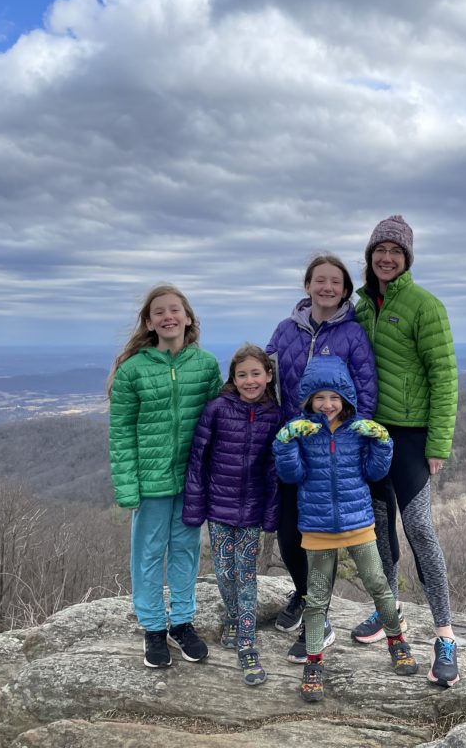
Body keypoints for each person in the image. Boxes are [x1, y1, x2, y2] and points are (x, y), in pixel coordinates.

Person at [353, 215, 461, 687]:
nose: (387, 257)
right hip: (372, 434)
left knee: (419, 529)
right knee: (379, 529)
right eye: (381, 249)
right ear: (370, 256)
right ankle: (388, 612)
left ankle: (445, 635)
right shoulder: (359, 307)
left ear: (407, 258)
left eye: (396, 251)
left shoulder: (425, 305)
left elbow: (445, 379)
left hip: (414, 436)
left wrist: (438, 444)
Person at [273, 356, 418, 702]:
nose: (327, 405)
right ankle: (313, 663)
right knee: (316, 599)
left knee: (379, 586)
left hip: (358, 524)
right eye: (320, 398)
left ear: (346, 400)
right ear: (308, 399)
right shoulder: (303, 431)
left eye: (334, 398)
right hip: (318, 527)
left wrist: (383, 442)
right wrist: (285, 443)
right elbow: (291, 476)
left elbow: (374, 473)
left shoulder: (357, 430)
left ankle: (397, 642)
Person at [265, 253, 379, 663]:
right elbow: (267, 380)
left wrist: (350, 441)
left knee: (322, 536)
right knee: (288, 527)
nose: (327, 288)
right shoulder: (284, 330)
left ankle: (322, 619)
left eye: (336, 282)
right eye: (320, 280)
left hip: (332, 448)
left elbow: (365, 393)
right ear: (308, 285)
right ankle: (304, 593)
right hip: (293, 443)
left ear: (345, 289)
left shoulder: (353, 334)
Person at [108, 284, 222, 669]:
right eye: (159, 312)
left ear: (188, 317)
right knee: (148, 555)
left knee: (186, 553)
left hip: (191, 481)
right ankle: (154, 629)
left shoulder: (206, 365)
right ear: (149, 322)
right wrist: (127, 486)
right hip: (150, 481)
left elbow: (218, 423)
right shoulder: (133, 369)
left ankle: (183, 624)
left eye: (175, 310)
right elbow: (121, 432)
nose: (168, 316)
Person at [182, 344, 282, 686]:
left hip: (252, 509)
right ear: (233, 378)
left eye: (256, 373)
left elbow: (274, 470)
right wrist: (195, 506)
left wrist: (271, 515)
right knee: (224, 571)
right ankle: (236, 617)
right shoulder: (217, 410)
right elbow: (198, 460)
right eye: (242, 375)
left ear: (269, 376)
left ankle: (247, 641)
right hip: (218, 508)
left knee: (247, 573)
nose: (250, 381)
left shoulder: (275, 415)